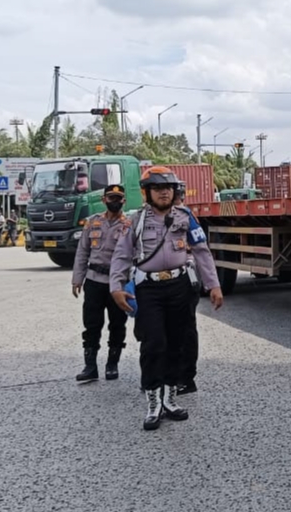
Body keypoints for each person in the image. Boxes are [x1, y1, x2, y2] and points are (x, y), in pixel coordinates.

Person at [110, 167, 224, 431]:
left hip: (180, 286)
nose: (164, 192)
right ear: (147, 193)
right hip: (149, 289)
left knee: (177, 344)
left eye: (168, 188)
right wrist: (116, 286)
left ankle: (170, 400)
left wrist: (214, 284)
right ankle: (153, 403)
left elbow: (202, 251)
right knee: (153, 345)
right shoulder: (136, 221)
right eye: (158, 188)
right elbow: (122, 255)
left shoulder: (185, 217)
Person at [71, 184, 132, 383]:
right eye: (111, 198)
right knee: (91, 324)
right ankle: (90, 367)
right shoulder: (92, 223)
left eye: (118, 198)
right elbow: (82, 252)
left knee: (117, 324)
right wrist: (77, 279)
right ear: (103, 200)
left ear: (124, 201)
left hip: (118, 284)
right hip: (94, 281)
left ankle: (112, 365)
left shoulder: (129, 225)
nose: (115, 201)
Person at [173, 181, 201, 396]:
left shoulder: (186, 216)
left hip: (184, 275)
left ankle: (186, 378)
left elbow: (201, 247)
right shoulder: (145, 216)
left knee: (185, 329)